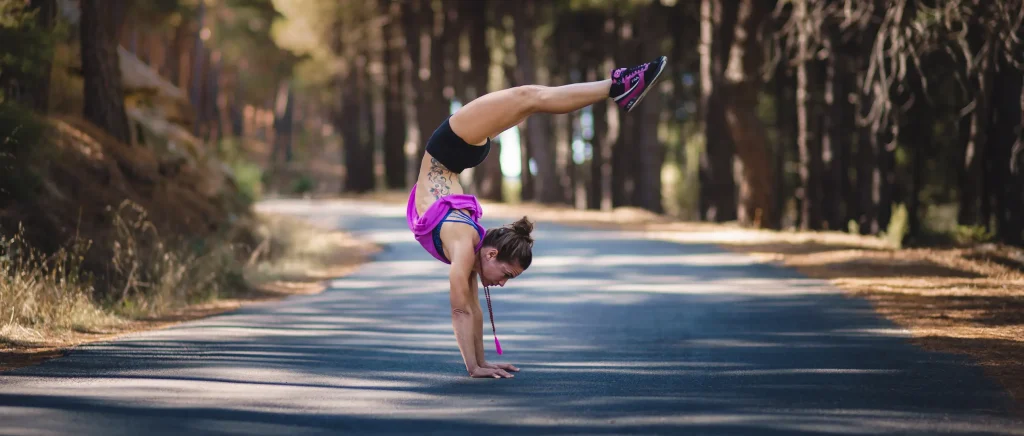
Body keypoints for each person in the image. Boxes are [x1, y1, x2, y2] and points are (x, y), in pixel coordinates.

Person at [406, 56, 668, 379]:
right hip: (458, 154)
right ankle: (618, 86)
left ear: (491, 252)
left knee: (531, 97)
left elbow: (462, 309)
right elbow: (471, 310)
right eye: (507, 276)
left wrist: (476, 366)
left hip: (448, 145)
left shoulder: (462, 245)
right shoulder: (469, 249)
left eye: (505, 276)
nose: (501, 283)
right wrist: (478, 365)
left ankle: (618, 85)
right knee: (530, 100)